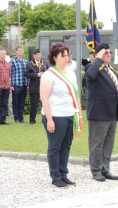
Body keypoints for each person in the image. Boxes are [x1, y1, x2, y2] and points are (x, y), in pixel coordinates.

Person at [40, 42, 83, 187]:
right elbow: (44, 98)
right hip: (56, 116)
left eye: (68, 55)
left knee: (66, 146)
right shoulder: (48, 74)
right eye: (63, 55)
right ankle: (55, 176)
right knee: (55, 146)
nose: (67, 58)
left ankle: (64, 174)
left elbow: (76, 95)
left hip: (70, 114)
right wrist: (50, 120)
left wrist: (79, 115)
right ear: (54, 57)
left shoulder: (71, 73)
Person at [85, 43, 118, 182]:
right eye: (105, 52)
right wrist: (98, 58)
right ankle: (96, 170)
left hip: (111, 112)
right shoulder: (92, 67)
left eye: (110, 52)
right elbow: (90, 75)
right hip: (99, 113)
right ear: (98, 55)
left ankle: (105, 168)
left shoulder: (109, 68)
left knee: (108, 143)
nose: (109, 54)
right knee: (97, 144)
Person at [25, 49, 49, 124]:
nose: (39, 56)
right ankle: (32, 120)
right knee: (34, 105)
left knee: (45, 104)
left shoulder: (45, 63)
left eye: (40, 54)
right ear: (34, 55)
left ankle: (45, 119)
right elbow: (27, 75)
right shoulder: (29, 64)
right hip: (34, 87)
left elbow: (49, 72)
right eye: (37, 54)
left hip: (44, 87)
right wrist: (36, 75)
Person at [10, 45, 29, 123]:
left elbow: (27, 74)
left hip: (24, 84)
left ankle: (21, 118)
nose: (21, 52)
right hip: (16, 85)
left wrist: (28, 84)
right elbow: (9, 74)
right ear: (16, 51)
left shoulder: (25, 61)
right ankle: (16, 118)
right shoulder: (12, 61)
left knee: (22, 102)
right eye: (19, 50)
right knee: (15, 102)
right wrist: (11, 85)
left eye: (22, 50)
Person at [0, 46, 11, 125]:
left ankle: (2, 120)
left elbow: (9, 75)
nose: (4, 55)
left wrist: (10, 85)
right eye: (2, 53)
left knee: (4, 104)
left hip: (6, 87)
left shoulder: (8, 64)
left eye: (5, 53)